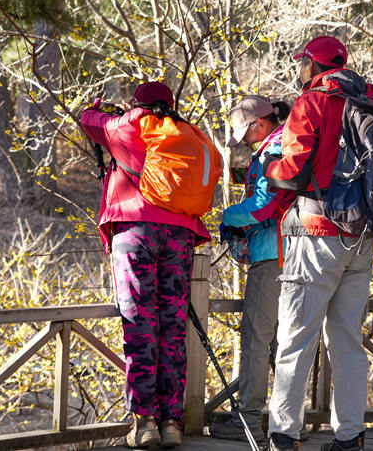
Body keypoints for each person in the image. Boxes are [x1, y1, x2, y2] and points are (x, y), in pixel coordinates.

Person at [80, 81, 212, 449]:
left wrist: (106, 109)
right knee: (172, 327)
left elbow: (88, 119)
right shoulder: (186, 133)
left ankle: (144, 422)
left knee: (140, 324)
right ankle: (171, 422)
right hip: (181, 235)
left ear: (137, 103)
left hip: (136, 232)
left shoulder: (128, 125)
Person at [263, 36, 373, 451]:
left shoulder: (312, 101)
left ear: (314, 64)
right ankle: (350, 437)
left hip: (316, 232)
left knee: (295, 337)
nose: (299, 68)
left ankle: (283, 435)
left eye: (302, 61)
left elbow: (292, 170)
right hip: (360, 235)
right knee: (347, 340)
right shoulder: (369, 99)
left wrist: (269, 169)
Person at [209, 95, 294, 441]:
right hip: (295, 253)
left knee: (256, 338)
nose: (243, 142)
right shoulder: (291, 142)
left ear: (260, 123)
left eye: (244, 133)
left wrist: (228, 218)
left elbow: (262, 206)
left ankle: (248, 420)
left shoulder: (273, 149)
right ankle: (288, 422)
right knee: (286, 341)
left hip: (273, 255)